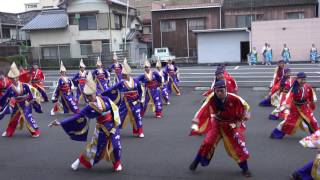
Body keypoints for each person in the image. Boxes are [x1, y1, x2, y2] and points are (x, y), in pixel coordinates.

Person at [49, 72, 123, 172]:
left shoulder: (105, 99)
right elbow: (77, 116)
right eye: (86, 96)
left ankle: (117, 163)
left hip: (113, 126)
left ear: (95, 92)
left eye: (90, 95)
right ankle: (80, 160)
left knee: (116, 146)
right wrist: (61, 122)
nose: (88, 98)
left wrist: (115, 126)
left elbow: (115, 110)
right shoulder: (89, 107)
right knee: (95, 151)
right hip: (101, 129)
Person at [189, 80, 252, 177]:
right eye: (217, 91)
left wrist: (245, 116)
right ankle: (196, 161)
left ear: (226, 89)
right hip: (217, 123)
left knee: (238, 144)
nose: (219, 93)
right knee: (207, 143)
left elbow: (246, 107)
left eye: (221, 91)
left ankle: (245, 168)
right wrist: (196, 118)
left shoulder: (234, 98)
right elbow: (203, 107)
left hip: (231, 124)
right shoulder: (212, 97)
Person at [102, 59, 144, 138]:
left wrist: (139, 99)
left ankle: (139, 131)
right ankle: (114, 130)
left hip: (135, 103)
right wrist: (102, 94)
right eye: (123, 74)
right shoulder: (121, 83)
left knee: (137, 116)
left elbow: (140, 91)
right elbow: (112, 89)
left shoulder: (136, 81)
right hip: (125, 102)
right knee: (120, 116)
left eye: (125, 74)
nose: (123, 76)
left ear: (129, 74)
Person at [270, 72, 319, 139]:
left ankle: (316, 136)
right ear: (297, 79)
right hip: (295, 108)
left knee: (312, 121)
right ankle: (276, 134)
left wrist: (312, 103)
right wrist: (287, 104)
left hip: (305, 107)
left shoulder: (308, 87)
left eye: (304, 79)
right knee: (288, 122)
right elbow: (289, 96)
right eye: (301, 79)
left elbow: (311, 97)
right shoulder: (294, 88)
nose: (303, 81)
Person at [0, 62, 42, 137]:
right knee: (13, 118)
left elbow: (34, 91)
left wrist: (33, 99)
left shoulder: (25, 85)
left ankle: (35, 131)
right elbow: (4, 97)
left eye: (16, 77)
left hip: (26, 103)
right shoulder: (10, 88)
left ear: (18, 77)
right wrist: (1, 104)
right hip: (17, 104)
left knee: (27, 116)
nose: (14, 80)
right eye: (12, 79)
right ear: (10, 79)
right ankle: (9, 131)